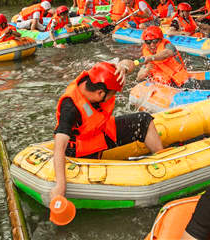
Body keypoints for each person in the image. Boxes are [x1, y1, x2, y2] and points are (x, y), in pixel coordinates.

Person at [51, 61, 164, 200]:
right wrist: (60, 186)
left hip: (102, 130)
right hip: (81, 149)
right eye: (113, 93)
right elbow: (59, 148)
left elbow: (129, 63)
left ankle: (163, 161)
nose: (114, 96)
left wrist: (124, 67)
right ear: (100, 93)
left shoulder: (97, 80)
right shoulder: (70, 108)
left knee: (144, 120)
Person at [136, 26, 210, 90]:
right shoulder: (146, 55)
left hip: (182, 81)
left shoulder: (167, 46)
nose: (152, 45)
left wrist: (151, 58)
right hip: (165, 86)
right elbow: (139, 77)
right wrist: (146, 70)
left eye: (155, 41)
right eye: (148, 42)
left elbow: (167, 53)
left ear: (160, 40)